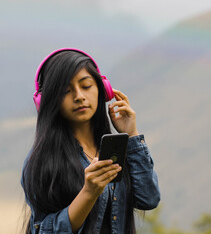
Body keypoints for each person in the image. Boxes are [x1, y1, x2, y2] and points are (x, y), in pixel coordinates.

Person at [21, 48, 160, 234]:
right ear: (48, 101)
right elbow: (44, 230)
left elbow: (149, 199)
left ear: (103, 89)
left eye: (86, 86)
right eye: (65, 91)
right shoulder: (41, 160)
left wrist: (132, 135)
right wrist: (89, 192)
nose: (79, 96)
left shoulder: (115, 149)